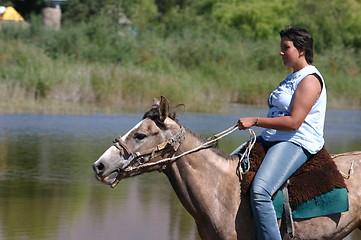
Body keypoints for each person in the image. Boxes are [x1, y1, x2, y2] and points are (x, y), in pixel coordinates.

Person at [237, 26, 326, 240]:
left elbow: (294, 122)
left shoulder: (310, 80)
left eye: (286, 47)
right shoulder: (292, 77)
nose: (281, 52)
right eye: (281, 47)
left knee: (260, 192)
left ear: (301, 49)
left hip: (297, 141)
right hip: (274, 137)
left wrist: (256, 121)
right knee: (228, 168)